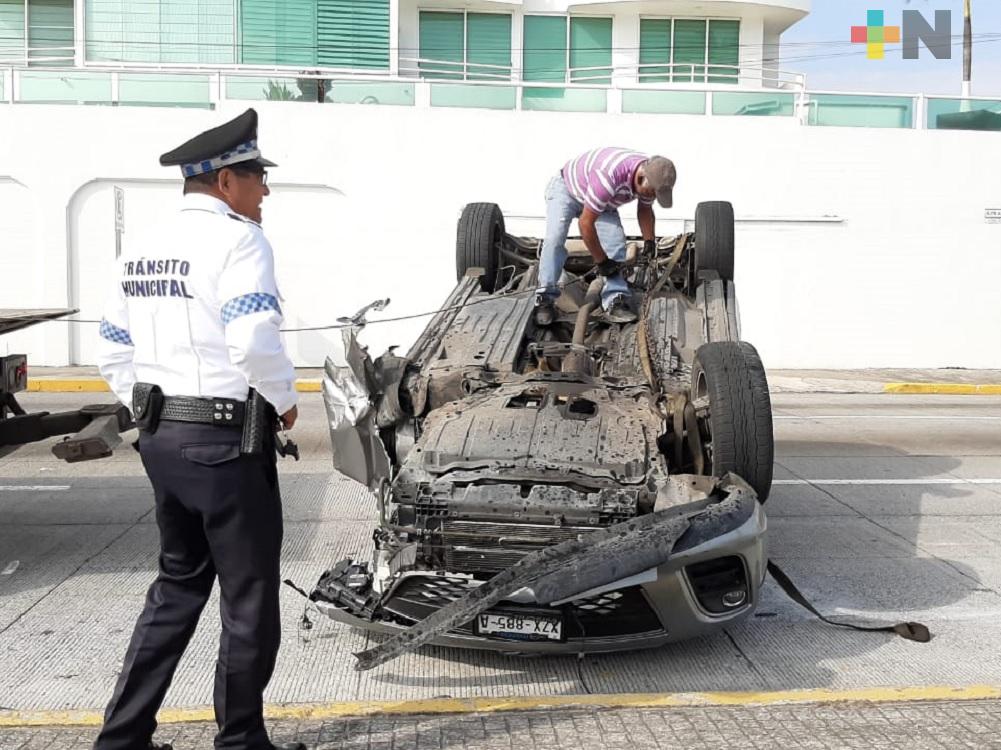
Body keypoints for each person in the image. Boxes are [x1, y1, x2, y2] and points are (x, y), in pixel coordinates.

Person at [93, 108, 305, 750]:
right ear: (224, 181)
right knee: (248, 601)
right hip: (225, 445)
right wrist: (284, 398)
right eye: (257, 177)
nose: (264, 190)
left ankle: (122, 737)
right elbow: (252, 337)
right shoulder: (241, 240)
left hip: (162, 442)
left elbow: (111, 346)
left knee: (176, 588)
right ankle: (241, 741)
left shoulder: (141, 248)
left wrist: (148, 410)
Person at [534, 148, 677, 325]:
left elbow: (645, 209)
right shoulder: (608, 178)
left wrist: (649, 240)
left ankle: (615, 299)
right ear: (641, 178)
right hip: (567, 190)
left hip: (603, 201)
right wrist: (602, 262)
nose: (651, 197)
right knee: (554, 240)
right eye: (651, 193)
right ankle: (545, 299)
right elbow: (585, 224)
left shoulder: (652, 175)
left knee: (616, 243)